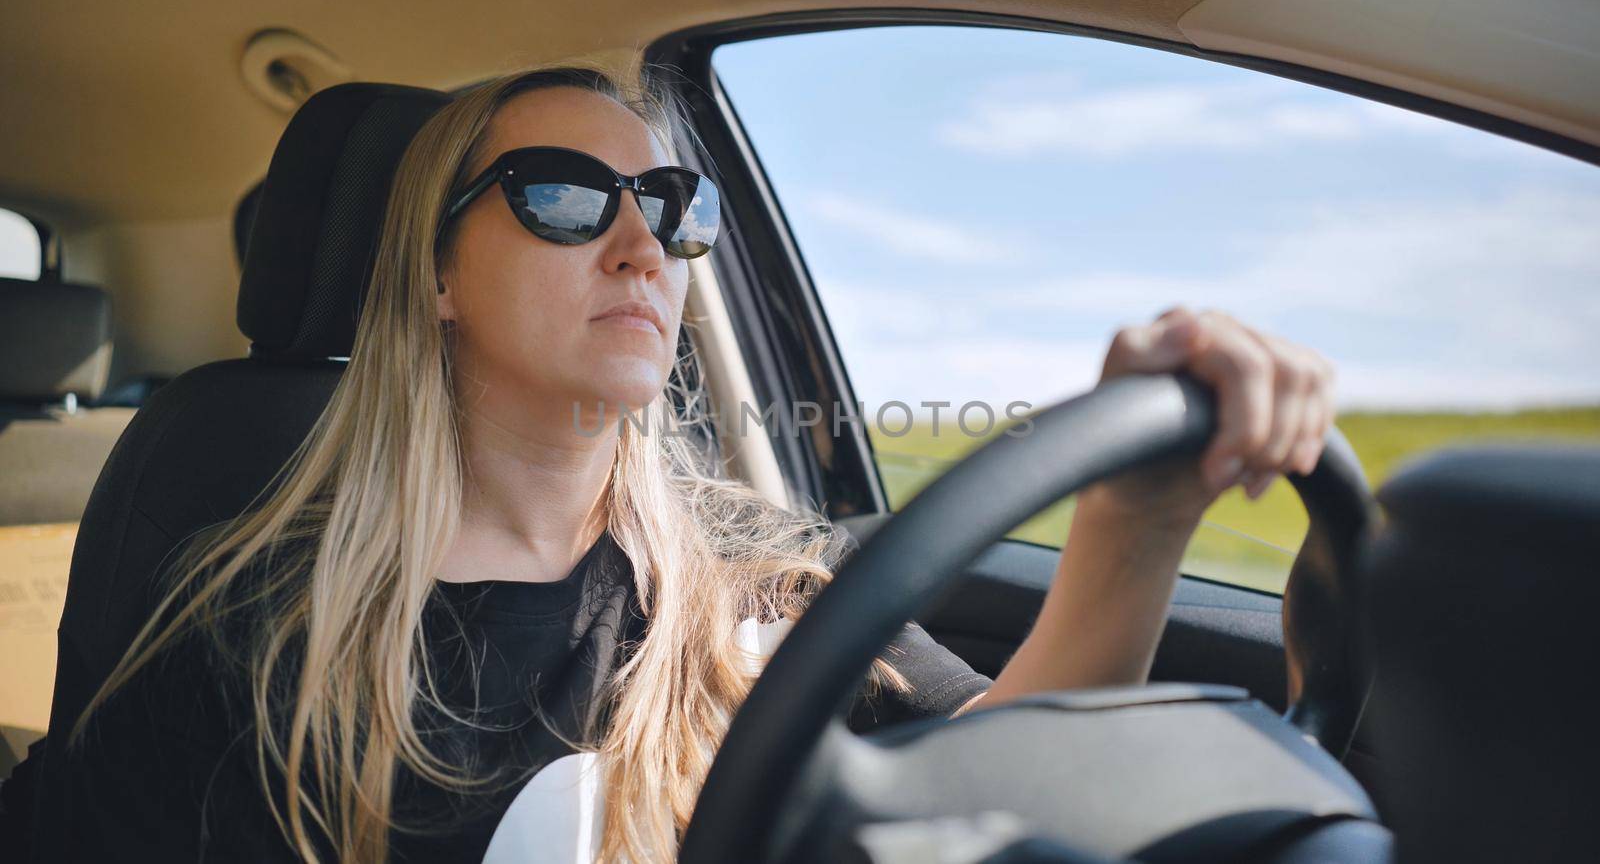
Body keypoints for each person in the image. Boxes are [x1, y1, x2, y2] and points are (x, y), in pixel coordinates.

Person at [54, 62, 1335, 864]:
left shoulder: (756, 581)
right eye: (560, 194)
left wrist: (1132, 525)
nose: (639, 246)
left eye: (673, 207)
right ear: (435, 271)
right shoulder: (258, 623)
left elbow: (999, 772)